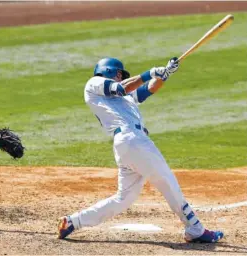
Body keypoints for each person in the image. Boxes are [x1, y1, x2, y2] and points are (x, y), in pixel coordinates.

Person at [57, 57, 223, 243]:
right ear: (109, 71)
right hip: (133, 141)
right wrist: (149, 73)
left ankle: (73, 221)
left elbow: (147, 90)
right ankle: (195, 229)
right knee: (166, 180)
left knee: (124, 198)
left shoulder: (123, 100)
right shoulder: (94, 83)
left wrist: (165, 74)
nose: (120, 77)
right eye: (119, 73)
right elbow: (121, 88)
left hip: (128, 145)